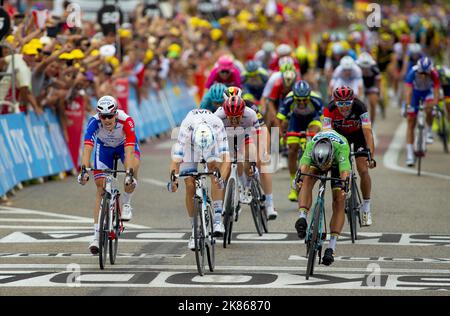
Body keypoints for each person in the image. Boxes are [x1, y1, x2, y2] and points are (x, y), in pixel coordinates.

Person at [78, 95, 139, 254]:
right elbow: (87, 148)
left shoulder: (127, 121)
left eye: (110, 116)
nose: (106, 120)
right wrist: (84, 169)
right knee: (100, 188)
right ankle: (96, 237)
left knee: (132, 170)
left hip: (124, 146)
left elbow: (130, 149)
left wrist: (129, 172)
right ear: (99, 115)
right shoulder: (93, 122)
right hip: (104, 149)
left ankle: (126, 203)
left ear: (116, 113)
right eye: (103, 116)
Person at [167, 108, 230, 250]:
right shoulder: (186, 129)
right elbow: (176, 160)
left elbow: (227, 159)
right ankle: (194, 231)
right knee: (189, 184)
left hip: (211, 146)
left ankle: (218, 220)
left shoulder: (217, 126)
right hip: (191, 148)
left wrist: (221, 179)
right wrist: (173, 180)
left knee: (215, 173)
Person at [215, 96, 278, 220]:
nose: (233, 121)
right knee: (224, 165)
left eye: (237, 117)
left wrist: (263, 153)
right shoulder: (218, 116)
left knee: (257, 159)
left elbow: (260, 135)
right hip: (226, 139)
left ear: (242, 113)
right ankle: (230, 199)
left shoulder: (250, 114)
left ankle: (269, 204)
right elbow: (213, 141)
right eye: (230, 118)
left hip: (245, 136)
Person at [294, 130, 351, 266]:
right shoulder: (311, 146)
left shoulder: (341, 149)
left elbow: (345, 173)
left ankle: (331, 247)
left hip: (337, 164)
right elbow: (303, 168)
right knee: (306, 180)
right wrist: (299, 180)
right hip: (317, 159)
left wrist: (345, 188)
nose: (324, 168)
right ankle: (302, 218)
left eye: (326, 166)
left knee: (339, 200)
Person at [323, 86, 376, 226]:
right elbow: (327, 134)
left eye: (348, 103)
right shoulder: (329, 109)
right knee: (339, 167)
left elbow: (368, 132)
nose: (344, 107)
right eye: (340, 103)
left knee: (363, 169)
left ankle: (366, 208)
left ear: (353, 101)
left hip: (358, 136)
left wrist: (370, 155)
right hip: (339, 137)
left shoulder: (360, 107)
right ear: (335, 102)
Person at [276, 80, 323, 202]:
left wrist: (320, 135)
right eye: (299, 100)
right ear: (294, 97)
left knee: (314, 130)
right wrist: (281, 136)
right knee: (292, 150)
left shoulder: (316, 99)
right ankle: (293, 185)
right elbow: (279, 121)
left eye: (304, 100)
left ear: (309, 96)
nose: (301, 102)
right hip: (295, 121)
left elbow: (325, 121)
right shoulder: (289, 99)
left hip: (312, 120)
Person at [404, 57, 440, 166]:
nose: (423, 76)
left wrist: (435, 104)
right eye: (421, 73)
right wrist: (408, 106)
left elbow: (436, 91)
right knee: (411, 122)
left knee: (430, 107)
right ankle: (410, 154)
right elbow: (408, 92)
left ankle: (429, 130)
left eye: (426, 74)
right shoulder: (412, 72)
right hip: (415, 94)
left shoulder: (434, 73)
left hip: (427, 93)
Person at [356, 52, 382, 126]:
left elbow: (378, 82)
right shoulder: (356, 68)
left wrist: (379, 93)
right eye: (362, 67)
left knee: (373, 102)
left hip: (371, 85)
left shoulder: (375, 69)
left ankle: (372, 123)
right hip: (361, 84)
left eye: (367, 67)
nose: (365, 69)